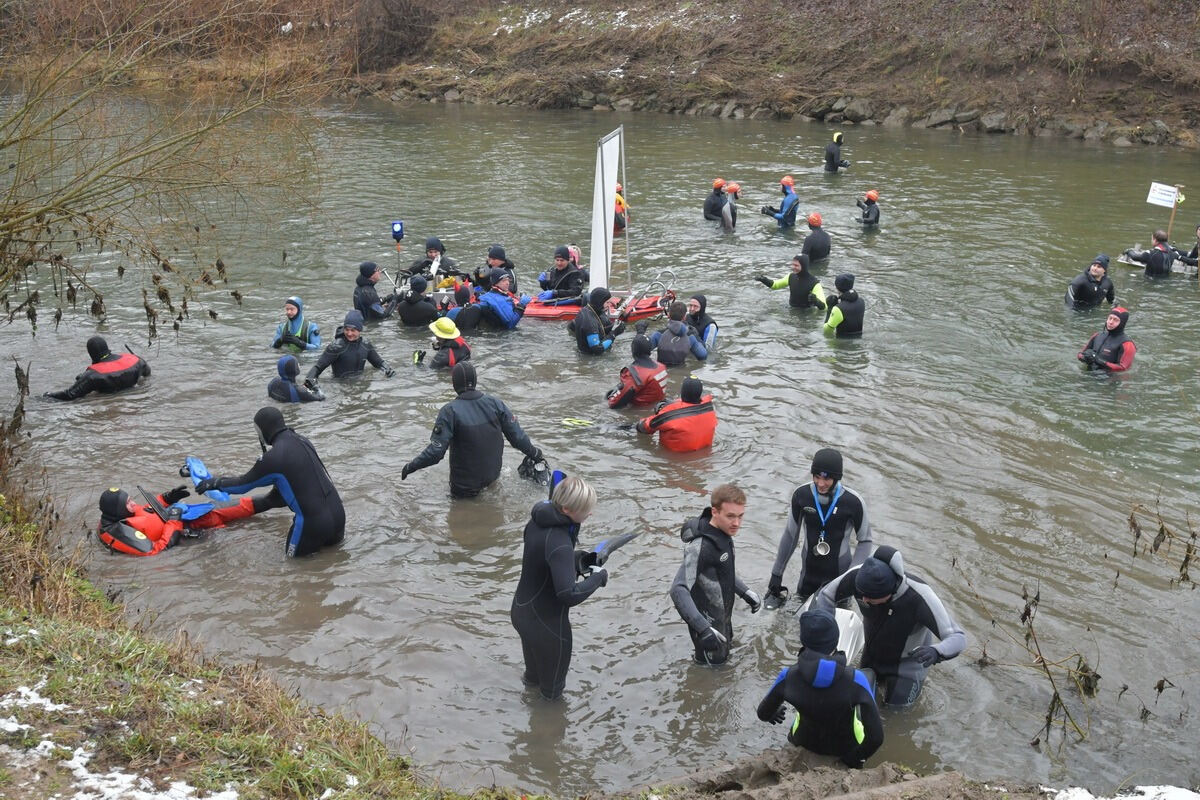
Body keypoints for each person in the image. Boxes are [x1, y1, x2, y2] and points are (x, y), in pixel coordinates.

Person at [813, 546, 966, 708]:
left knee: (897, 715)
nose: (863, 599)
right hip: (871, 657)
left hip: (907, 667)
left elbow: (958, 637)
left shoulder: (920, 596)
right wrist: (827, 638)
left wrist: (937, 651)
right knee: (857, 706)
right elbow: (826, 595)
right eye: (861, 593)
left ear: (889, 592)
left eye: (870, 597)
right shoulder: (859, 575)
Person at [194, 407, 345, 557]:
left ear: (262, 431)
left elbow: (242, 485)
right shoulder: (303, 440)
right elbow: (290, 490)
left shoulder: (274, 457)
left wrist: (215, 483)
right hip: (338, 516)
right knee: (331, 562)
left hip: (311, 525)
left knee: (293, 569)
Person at [510, 475, 609, 700]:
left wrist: (576, 559)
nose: (590, 514)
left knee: (532, 680)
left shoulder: (536, 522)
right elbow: (568, 594)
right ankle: (547, 732)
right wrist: (598, 578)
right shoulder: (560, 542)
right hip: (547, 626)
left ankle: (524, 721)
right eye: (586, 510)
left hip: (521, 613)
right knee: (552, 697)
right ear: (566, 510)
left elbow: (541, 560)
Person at [757, 608, 884, 768]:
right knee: (869, 674)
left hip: (803, 742)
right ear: (836, 640)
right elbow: (876, 738)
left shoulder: (788, 676)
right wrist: (854, 758)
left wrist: (774, 714)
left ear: (804, 641)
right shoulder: (856, 679)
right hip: (845, 748)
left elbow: (763, 713)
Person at [400, 362, 543, 498]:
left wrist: (411, 466)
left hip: (463, 490)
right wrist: (536, 454)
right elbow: (518, 438)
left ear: (454, 383)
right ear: (475, 380)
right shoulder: (496, 404)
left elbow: (436, 452)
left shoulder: (449, 411)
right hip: (493, 478)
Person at [764, 447, 872, 609]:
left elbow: (865, 541)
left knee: (832, 631)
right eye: (816, 477)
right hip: (807, 580)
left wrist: (852, 577)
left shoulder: (853, 502)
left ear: (836, 478)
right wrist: (776, 574)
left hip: (839, 583)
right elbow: (790, 535)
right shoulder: (802, 495)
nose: (820, 483)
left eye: (827, 479)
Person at [670, 483, 759, 665]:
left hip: (723, 619)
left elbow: (721, 572)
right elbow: (678, 589)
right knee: (710, 674)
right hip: (707, 625)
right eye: (730, 516)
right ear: (714, 512)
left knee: (727, 664)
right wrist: (703, 629)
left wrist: (745, 592)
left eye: (740, 516)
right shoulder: (700, 547)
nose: (736, 523)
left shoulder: (723, 533)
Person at [95, 484, 267, 557]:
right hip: (183, 532)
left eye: (131, 499)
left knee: (225, 509)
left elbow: (146, 512)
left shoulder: (117, 514)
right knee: (227, 518)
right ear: (118, 509)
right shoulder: (121, 531)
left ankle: (271, 500)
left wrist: (166, 498)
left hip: (179, 520)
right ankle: (273, 500)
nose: (133, 503)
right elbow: (155, 552)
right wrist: (175, 520)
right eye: (128, 502)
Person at [304, 310, 395, 386]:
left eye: (353, 330)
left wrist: (388, 370)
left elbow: (379, 363)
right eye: (346, 329)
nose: (349, 333)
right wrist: (310, 381)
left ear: (360, 330)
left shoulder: (365, 345)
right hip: (340, 386)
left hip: (360, 384)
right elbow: (317, 368)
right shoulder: (336, 347)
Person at [44, 336, 150, 401]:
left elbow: (69, 395)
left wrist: (48, 395)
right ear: (107, 348)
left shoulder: (92, 375)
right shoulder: (136, 359)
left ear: (91, 354)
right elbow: (148, 373)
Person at [635, 376, 716, 452]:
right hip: (702, 457)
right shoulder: (709, 408)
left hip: (674, 460)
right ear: (700, 393)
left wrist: (659, 412)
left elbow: (644, 427)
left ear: (682, 392)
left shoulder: (669, 414)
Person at [606, 334, 668, 409]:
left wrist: (610, 397)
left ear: (633, 350)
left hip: (640, 409)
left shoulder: (635, 375)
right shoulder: (661, 367)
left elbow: (614, 404)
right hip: (659, 406)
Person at [756, 254, 827, 310]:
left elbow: (824, 307)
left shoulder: (814, 283)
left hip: (806, 314)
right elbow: (775, 285)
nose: (793, 267)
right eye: (792, 264)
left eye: (796, 265)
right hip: (791, 309)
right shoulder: (791, 276)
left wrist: (816, 301)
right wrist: (764, 280)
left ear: (804, 266)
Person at [646, 301, 707, 366]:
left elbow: (642, 351)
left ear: (669, 315)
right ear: (684, 317)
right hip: (681, 372)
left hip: (662, 371)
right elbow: (703, 355)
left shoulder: (658, 335)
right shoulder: (691, 338)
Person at [1078, 306, 1136, 372]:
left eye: (1115, 320)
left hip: (1109, 379)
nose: (1111, 322)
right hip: (1089, 373)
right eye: (1110, 318)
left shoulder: (1127, 344)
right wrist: (1084, 358)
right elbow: (1080, 354)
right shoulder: (1097, 335)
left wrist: (1099, 361)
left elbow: (1123, 368)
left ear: (1122, 323)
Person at [569, 287, 625, 355]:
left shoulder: (587, 310)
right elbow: (597, 348)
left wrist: (613, 327)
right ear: (600, 302)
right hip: (590, 360)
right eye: (607, 302)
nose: (609, 305)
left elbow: (598, 330)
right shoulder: (589, 320)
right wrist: (614, 333)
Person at [824, 273, 864, 337]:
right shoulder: (861, 301)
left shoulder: (839, 309)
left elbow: (826, 331)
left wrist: (830, 308)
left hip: (841, 344)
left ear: (837, 288)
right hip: (859, 338)